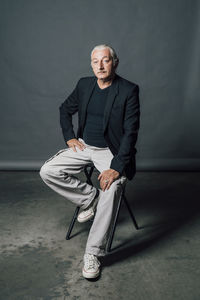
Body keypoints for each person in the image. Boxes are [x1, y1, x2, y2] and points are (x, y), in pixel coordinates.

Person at [40, 44, 140, 279]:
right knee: (47, 170)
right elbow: (65, 109)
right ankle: (89, 197)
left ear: (114, 62)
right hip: (84, 146)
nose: (100, 65)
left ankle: (93, 252)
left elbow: (130, 133)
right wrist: (70, 136)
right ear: (91, 64)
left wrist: (116, 167)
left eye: (105, 60)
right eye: (96, 61)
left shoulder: (128, 90)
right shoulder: (84, 85)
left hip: (110, 151)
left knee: (113, 186)